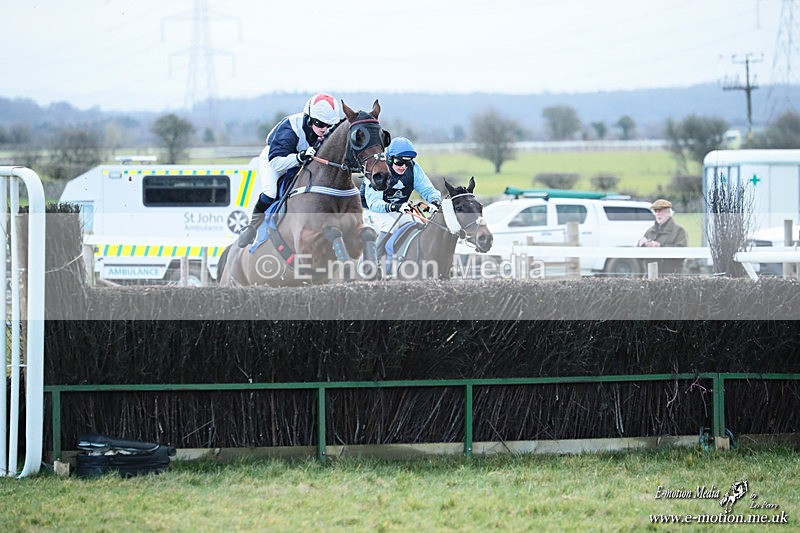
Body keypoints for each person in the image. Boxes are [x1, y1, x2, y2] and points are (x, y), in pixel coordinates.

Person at [237, 93, 343, 247]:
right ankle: (252, 228)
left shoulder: (325, 131)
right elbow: (276, 163)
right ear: (309, 119)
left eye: (329, 126)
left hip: (299, 162)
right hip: (274, 160)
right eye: (320, 124)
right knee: (271, 192)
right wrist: (299, 157)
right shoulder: (291, 128)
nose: (324, 129)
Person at [360, 137, 442, 239]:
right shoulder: (377, 169)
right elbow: (374, 203)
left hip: (396, 210)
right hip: (369, 211)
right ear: (389, 159)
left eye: (407, 163)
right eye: (399, 162)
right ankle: (376, 255)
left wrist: (435, 202)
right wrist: (395, 207)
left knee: (419, 225)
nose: (403, 166)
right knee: (390, 224)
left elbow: (429, 190)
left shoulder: (414, 169)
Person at [638, 198, 688, 274]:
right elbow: (639, 257)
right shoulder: (649, 231)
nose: (658, 214)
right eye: (656, 211)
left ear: (668, 212)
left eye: (660, 211)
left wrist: (660, 246)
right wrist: (641, 245)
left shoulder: (679, 231)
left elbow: (682, 253)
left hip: (672, 278)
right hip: (651, 277)